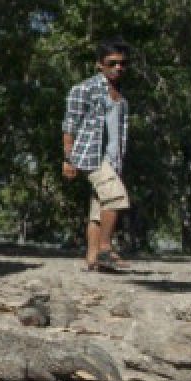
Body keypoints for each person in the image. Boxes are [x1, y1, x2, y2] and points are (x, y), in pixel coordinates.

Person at [62, 40, 130, 271]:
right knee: (116, 197)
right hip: (90, 156)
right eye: (112, 63)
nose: (118, 68)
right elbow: (70, 125)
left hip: (112, 159)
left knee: (99, 208)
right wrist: (68, 159)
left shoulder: (121, 95)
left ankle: (92, 259)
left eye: (122, 64)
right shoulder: (84, 89)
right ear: (99, 65)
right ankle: (105, 249)